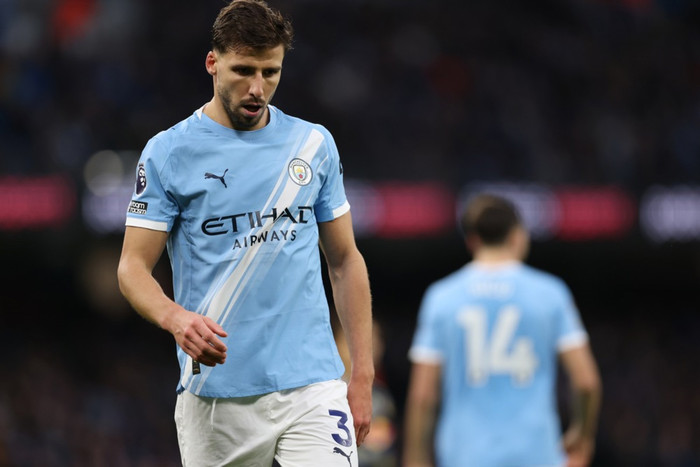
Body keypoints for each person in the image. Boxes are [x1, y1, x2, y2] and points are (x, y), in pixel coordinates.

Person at [116, 1, 374, 465]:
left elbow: (344, 260)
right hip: (217, 393)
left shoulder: (313, 144)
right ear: (212, 63)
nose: (258, 88)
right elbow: (132, 267)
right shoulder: (168, 153)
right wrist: (175, 318)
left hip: (313, 385)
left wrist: (363, 374)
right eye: (243, 70)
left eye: (270, 72)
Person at [403, 194, 602, 467]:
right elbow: (586, 382)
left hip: (465, 455)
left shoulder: (442, 298)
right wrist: (582, 435)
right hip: (536, 455)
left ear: (472, 240)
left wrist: (415, 459)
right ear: (517, 236)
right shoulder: (550, 293)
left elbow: (423, 395)